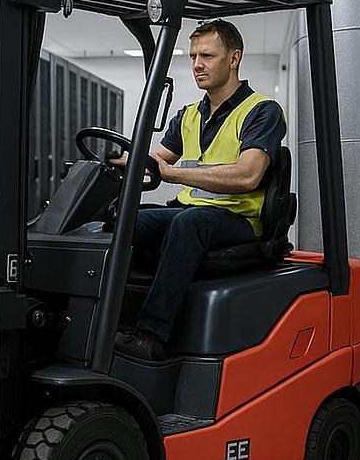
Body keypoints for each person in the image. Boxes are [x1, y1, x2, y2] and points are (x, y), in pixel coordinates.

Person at [111, 18, 286, 361]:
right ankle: (113, 321)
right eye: (192, 56)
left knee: (188, 224)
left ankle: (152, 335)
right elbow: (156, 159)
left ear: (234, 58)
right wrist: (116, 162)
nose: (197, 64)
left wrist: (174, 175)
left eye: (207, 55)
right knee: (128, 220)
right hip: (192, 211)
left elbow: (248, 176)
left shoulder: (261, 111)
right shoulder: (189, 115)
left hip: (237, 219)